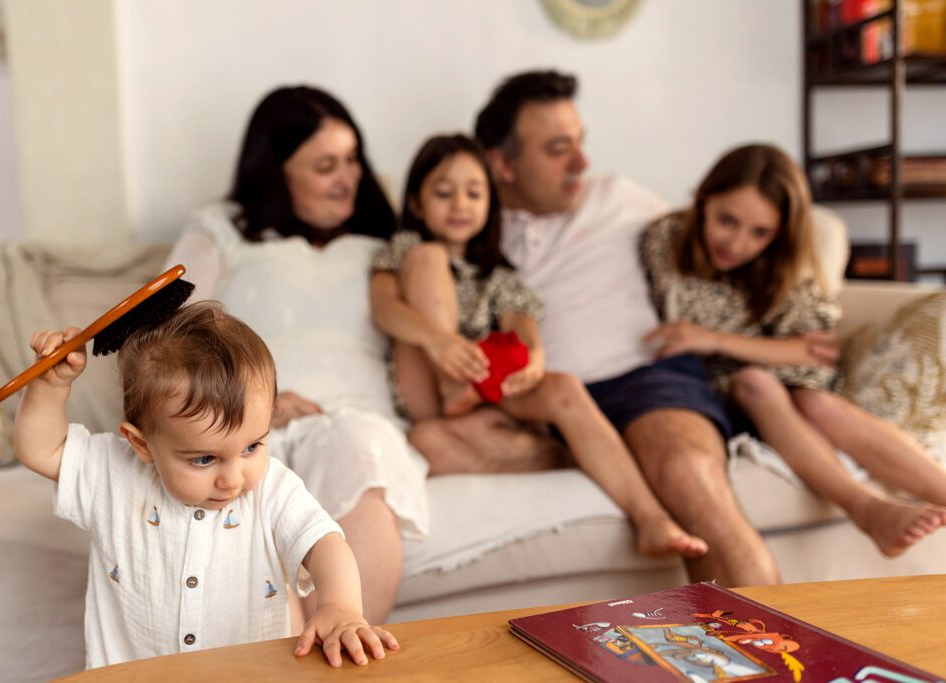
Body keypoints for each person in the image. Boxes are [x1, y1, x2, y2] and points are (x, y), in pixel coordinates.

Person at [392, 70, 781, 587]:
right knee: (429, 444)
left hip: (643, 384)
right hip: (535, 410)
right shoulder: (467, 229)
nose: (582, 162)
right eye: (558, 149)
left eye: (580, 143)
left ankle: (781, 654)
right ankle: (595, 453)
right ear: (501, 165)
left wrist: (787, 347)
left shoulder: (621, 200)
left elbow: (736, 242)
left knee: (685, 470)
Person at [370, 133, 707, 558]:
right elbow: (385, 309)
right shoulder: (405, 251)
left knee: (558, 388)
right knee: (429, 261)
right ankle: (470, 395)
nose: (459, 204)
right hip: (431, 387)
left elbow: (521, 321)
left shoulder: (496, 274)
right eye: (442, 192)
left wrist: (536, 357)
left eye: (474, 193)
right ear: (416, 203)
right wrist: (439, 341)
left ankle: (651, 519)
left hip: (483, 397)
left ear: (490, 204)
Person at [166, 86, 429, 625]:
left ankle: (346, 648)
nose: (349, 177)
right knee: (248, 482)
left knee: (360, 446)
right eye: (325, 165)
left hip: (358, 418)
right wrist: (250, 402)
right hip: (249, 420)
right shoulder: (225, 229)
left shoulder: (386, 243)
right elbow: (165, 335)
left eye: (354, 159)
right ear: (276, 171)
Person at [13, 301, 398, 669]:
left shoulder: (272, 489)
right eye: (203, 459)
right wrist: (51, 384)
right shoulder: (112, 473)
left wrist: (341, 606)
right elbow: (41, 449)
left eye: (252, 446)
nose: (233, 478)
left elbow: (324, 544)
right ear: (142, 443)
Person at [640, 143, 946, 557]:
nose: (736, 242)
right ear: (704, 199)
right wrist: (767, 349)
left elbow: (814, 352)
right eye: (726, 220)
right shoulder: (665, 239)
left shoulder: (783, 260)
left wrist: (711, 338)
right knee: (755, 382)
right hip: (712, 392)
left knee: (819, 406)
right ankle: (866, 508)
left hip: (793, 385)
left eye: (759, 232)